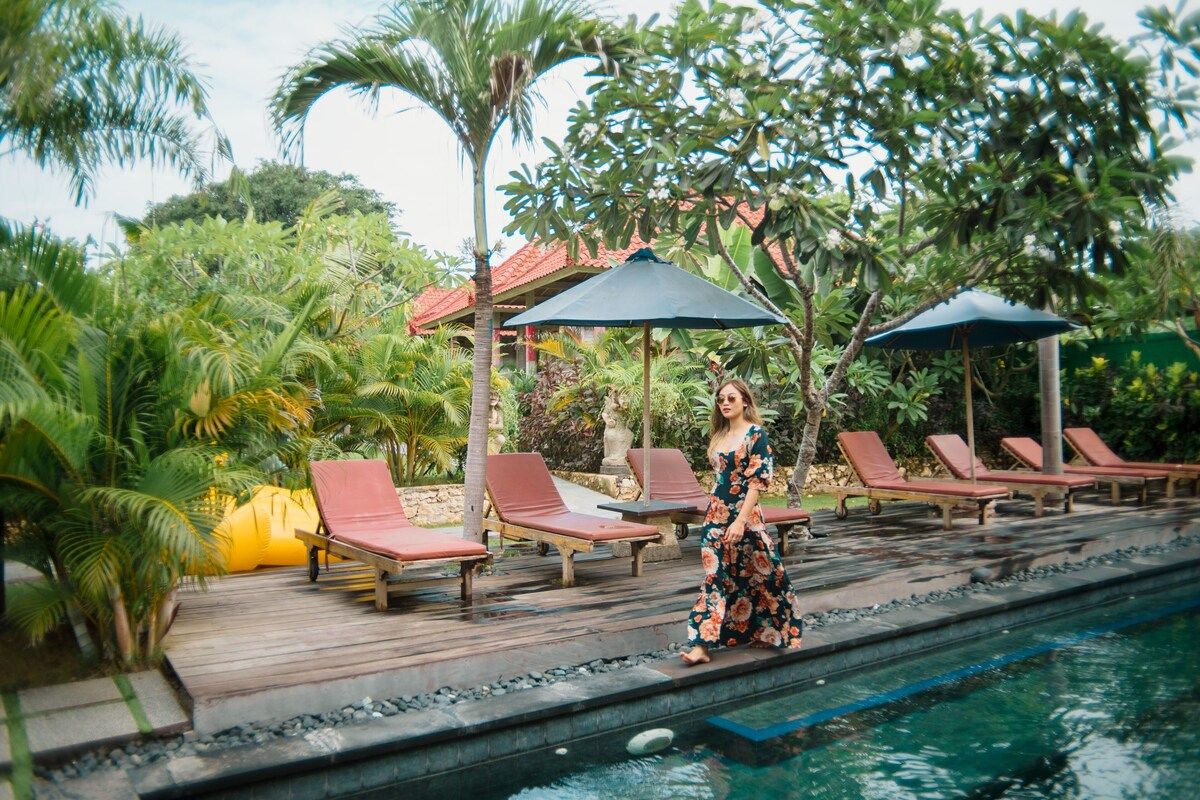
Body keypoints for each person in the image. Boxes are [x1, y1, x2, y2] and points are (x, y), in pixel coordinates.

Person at [681, 379, 803, 666]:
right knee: (715, 576)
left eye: (731, 398)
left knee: (763, 574)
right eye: (721, 399)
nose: (724, 403)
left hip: (745, 516)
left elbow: (758, 483)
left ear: (745, 401)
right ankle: (701, 644)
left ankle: (772, 630)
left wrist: (739, 521)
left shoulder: (756, 434)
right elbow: (720, 480)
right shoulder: (719, 436)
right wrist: (721, 517)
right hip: (715, 516)